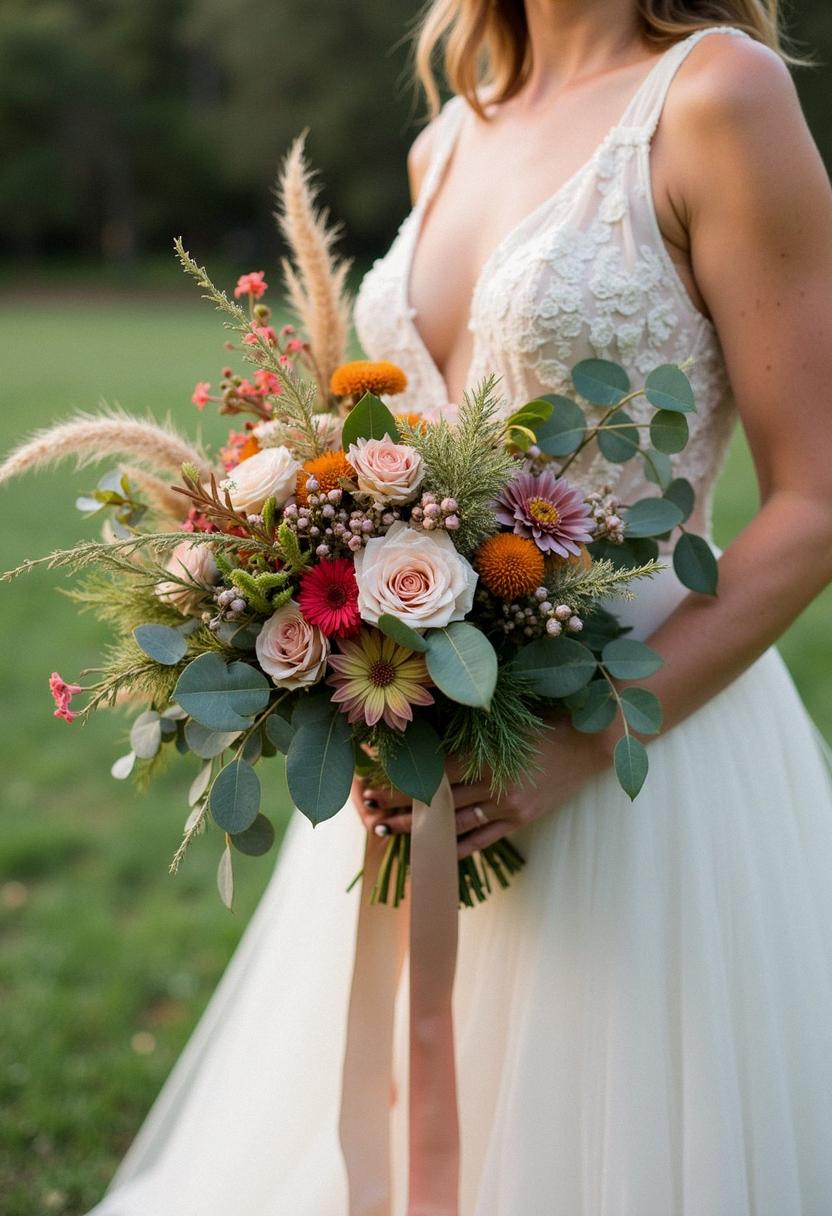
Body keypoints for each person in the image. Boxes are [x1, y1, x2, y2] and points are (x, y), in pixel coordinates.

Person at [91, 2, 832, 1212]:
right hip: (422, 745)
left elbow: (816, 501)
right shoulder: (448, 135)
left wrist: (581, 741)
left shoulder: (716, 97)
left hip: (643, 728)